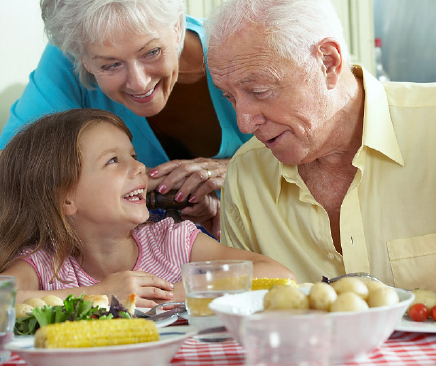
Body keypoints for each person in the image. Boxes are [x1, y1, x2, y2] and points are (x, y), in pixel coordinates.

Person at [204, 0, 436, 291]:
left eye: (260, 90)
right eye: (230, 97)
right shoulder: (247, 173)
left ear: (328, 62)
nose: (244, 123)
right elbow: (248, 322)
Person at [0, 0, 251, 238]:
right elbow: (13, 172)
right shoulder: (69, 60)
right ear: (82, 58)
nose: (139, 82)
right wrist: (147, 188)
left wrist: (239, 170)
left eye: (151, 52)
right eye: (111, 65)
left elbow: (314, 151)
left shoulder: (239, 53)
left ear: (176, 27)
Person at [0, 109, 295, 308]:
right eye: (113, 161)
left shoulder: (173, 241)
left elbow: (278, 274)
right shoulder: (45, 265)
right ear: (67, 199)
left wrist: (173, 294)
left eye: (133, 155)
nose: (140, 167)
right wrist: (96, 295)